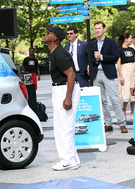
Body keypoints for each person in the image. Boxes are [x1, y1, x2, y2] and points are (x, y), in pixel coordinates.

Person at [44, 26, 81, 171]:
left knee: (64, 128)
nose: (46, 34)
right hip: (59, 88)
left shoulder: (60, 54)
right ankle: (73, 160)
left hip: (64, 89)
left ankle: (67, 160)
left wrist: (68, 98)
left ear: (55, 38)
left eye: (49, 33)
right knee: (64, 127)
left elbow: (71, 74)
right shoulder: (55, 52)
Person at [90, 21, 127, 133]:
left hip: (108, 74)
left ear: (104, 29)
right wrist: (95, 60)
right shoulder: (92, 44)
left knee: (114, 99)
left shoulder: (110, 42)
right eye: (96, 28)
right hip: (96, 74)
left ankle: (122, 123)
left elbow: (115, 57)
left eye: (99, 28)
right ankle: (108, 123)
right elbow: (90, 59)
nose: (97, 30)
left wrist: (101, 57)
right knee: (102, 101)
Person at [116, 33, 135, 121]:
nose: (131, 40)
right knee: (125, 92)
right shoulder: (119, 50)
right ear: (126, 39)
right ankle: (123, 109)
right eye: (130, 38)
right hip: (124, 70)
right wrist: (121, 75)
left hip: (133, 70)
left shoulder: (132, 50)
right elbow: (118, 64)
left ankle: (133, 112)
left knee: (133, 92)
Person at [22, 47, 41, 118]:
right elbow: (23, 66)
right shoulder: (26, 59)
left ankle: (33, 99)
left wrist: (38, 75)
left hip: (33, 74)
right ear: (29, 52)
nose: (31, 52)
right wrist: (23, 72)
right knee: (28, 87)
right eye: (30, 51)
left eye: (32, 51)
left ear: (34, 52)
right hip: (27, 74)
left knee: (33, 87)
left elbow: (37, 68)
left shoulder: (35, 60)